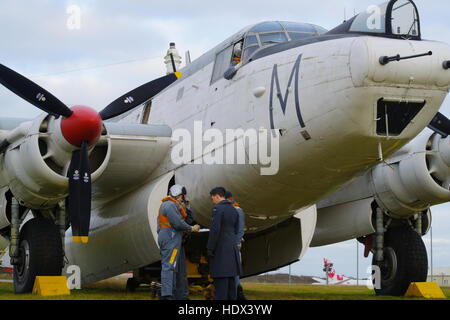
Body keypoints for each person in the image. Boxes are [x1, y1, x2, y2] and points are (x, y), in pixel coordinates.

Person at [157, 184, 200, 300]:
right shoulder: (169, 205)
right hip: (171, 241)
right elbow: (178, 223)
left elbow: (188, 219)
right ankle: (166, 295)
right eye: (181, 196)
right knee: (169, 267)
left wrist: (187, 206)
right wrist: (191, 228)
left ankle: (179, 295)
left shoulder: (175, 206)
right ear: (177, 194)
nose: (183, 198)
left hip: (176, 241)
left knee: (178, 269)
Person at [207, 187, 242, 300]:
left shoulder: (218, 209)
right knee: (231, 288)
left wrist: (210, 248)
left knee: (221, 288)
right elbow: (237, 229)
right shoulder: (234, 209)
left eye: (212, 199)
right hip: (232, 249)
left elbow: (215, 231)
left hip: (221, 251)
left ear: (217, 196)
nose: (212, 202)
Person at [225, 190, 246, 300]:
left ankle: (237, 293)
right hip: (230, 244)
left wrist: (237, 243)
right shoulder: (231, 210)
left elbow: (240, 229)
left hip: (234, 245)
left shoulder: (237, 210)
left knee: (234, 271)